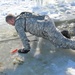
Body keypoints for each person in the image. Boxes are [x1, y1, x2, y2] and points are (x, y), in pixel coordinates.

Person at [5, 12, 75, 54]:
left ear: (11, 20)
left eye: (9, 23)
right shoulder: (22, 15)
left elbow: (22, 37)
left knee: (60, 43)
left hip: (46, 28)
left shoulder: (17, 24)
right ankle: (62, 33)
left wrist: (26, 49)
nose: (10, 25)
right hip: (46, 21)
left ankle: (66, 39)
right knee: (52, 38)